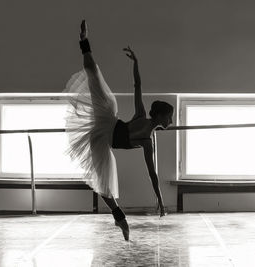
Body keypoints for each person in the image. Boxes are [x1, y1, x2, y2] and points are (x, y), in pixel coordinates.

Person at [63, 20, 174, 241]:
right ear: (160, 116)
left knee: (102, 183)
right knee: (94, 75)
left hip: (103, 141)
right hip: (108, 119)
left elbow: (152, 174)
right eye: (169, 117)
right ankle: (84, 41)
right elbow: (137, 85)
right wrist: (136, 62)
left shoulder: (147, 141)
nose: (171, 121)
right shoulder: (142, 117)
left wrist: (160, 200)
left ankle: (119, 218)